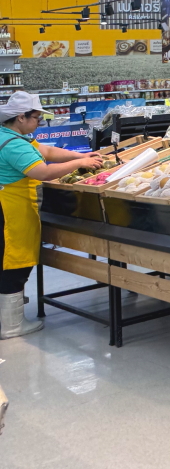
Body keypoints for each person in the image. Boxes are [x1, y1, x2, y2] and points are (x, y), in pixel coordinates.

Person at [0, 91, 103, 338]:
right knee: (14, 265)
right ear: (21, 117)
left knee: (9, 264)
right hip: (11, 213)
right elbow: (43, 172)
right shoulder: (14, 145)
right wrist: (79, 164)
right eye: (36, 118)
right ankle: (12, 326)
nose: (39, 122)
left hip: (11, 208)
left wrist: (81, 155)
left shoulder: (9, 135)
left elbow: (46, 151)